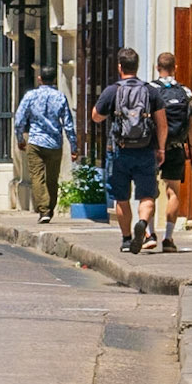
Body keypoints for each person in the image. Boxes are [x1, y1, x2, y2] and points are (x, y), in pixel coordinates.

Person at [93, 48, 168, 254]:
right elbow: (162, 124)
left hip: (119, 151)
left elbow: (95, 116)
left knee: (121, 197)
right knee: (147, 196)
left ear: (119, 67)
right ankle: (143, 222)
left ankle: (126, 239)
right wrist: (161, 148)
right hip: (146, 149)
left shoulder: (112, 91)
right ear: (137, 66)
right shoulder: (151, 91)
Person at [14, 65, 78, 223]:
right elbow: (69, 124)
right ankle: (50, 208)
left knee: (37, 177)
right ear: (55, 79)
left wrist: (20, 139)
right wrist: (74, 146)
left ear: (39, 78)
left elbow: (19, 120)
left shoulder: (30, 96)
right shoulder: (60, 97)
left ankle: (43, 210)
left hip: (35, 141)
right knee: (52, 178)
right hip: (55, 143)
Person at [151, 51, 192, 252]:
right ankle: (168, 238)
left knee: (148, 192)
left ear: (157, 68)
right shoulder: (185, 92)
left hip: (152, 148)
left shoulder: (150, 90)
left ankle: (149, 233)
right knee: (173, 192)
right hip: (177, 146)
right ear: (175, 67)